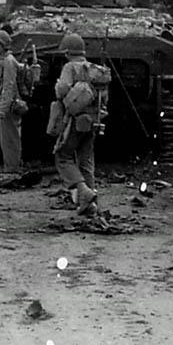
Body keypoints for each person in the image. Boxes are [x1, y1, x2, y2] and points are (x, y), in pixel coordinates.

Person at [52, 33, 108, 217]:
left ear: (68, 52)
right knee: (86, 160)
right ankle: (91, 204)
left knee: (63, 155)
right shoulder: (96, 69)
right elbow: (104, 97)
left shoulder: (70, 67)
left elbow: (61, 91)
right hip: (93, 119)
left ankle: (83, 191)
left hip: (75, 119)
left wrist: (59, 87)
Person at [0, 29, 26, 184]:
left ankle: (12, 170)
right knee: (7, 138)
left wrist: (2, 108)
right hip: (7, 104)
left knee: (10, 139)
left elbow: (9, 86)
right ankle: (11, 167)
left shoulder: (8, 62)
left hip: (10, 106)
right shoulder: (4, 60)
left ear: (4, 46)